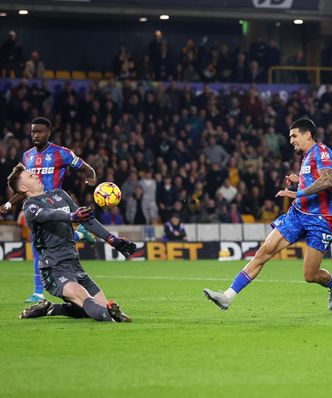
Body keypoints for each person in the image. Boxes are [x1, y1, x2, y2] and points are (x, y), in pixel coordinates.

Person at [204, 118, 332, 312]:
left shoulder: (322, 151)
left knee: (310, 275)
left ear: (308, 134)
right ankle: (227, 296)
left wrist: (297, 192)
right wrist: (300, 182)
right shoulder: (306, 156)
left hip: (319, 220)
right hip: (297, 214)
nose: (291, 140)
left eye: (294, 135)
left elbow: (327, 180)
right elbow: (314, 180)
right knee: (264, 251)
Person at [7, 163, 136, 322]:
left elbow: (86, 219)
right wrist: (72, 217)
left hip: (74, 264)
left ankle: (51, 308)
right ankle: (112, 318)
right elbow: (50, 214)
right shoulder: (30, 207)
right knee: (87, 301)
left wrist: (112, 240)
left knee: (90, 307)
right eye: (30, 176)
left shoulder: (59, 194)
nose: (35, 175)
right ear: (23, 187)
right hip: (53, 268)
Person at [0, 117, 97, 303]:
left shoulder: (62, 153)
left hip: (54, 204)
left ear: (48, 132)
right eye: (33, 132)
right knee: (40, 246)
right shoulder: (27, 156)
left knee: (40, 247)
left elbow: (87, 168)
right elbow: (23, 188)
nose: (35, 135)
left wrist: (91, 178)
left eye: (40, 131)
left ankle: (38, 292)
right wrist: (9, 204)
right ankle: (80, 235)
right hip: (36, 207)